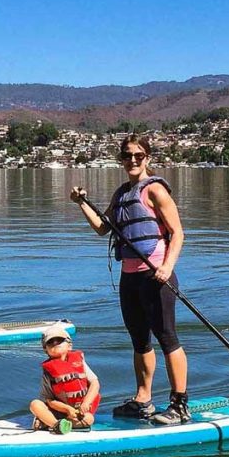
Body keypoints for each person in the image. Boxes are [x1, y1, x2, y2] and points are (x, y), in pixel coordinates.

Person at [69, 134, 190, 425]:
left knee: (167, 338)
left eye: (138, 155)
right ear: (121, 159)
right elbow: (102, 228)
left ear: (147, 158)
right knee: (139, 341)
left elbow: (177, 233)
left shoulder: (156, 190)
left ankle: (179, 405)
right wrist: (81, 202)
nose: (132, 160)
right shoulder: (122, 193)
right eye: (127, 155)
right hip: (130, 278)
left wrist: (166, 266)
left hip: (156, 276)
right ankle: (143, 399)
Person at [29, 325, 101, 434]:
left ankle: (48, 423)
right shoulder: (48, 371)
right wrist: (67, 409)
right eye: (50, 342)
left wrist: (86, 403)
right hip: (59, 410)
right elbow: (49, 400)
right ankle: (55, 424)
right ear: (45, 349)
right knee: (35, 404)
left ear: (69, 345)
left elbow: (95, 383)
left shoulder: (79, 361)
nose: (55, 343)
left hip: (79, 411)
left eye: (59, 340)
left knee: (89, 419)